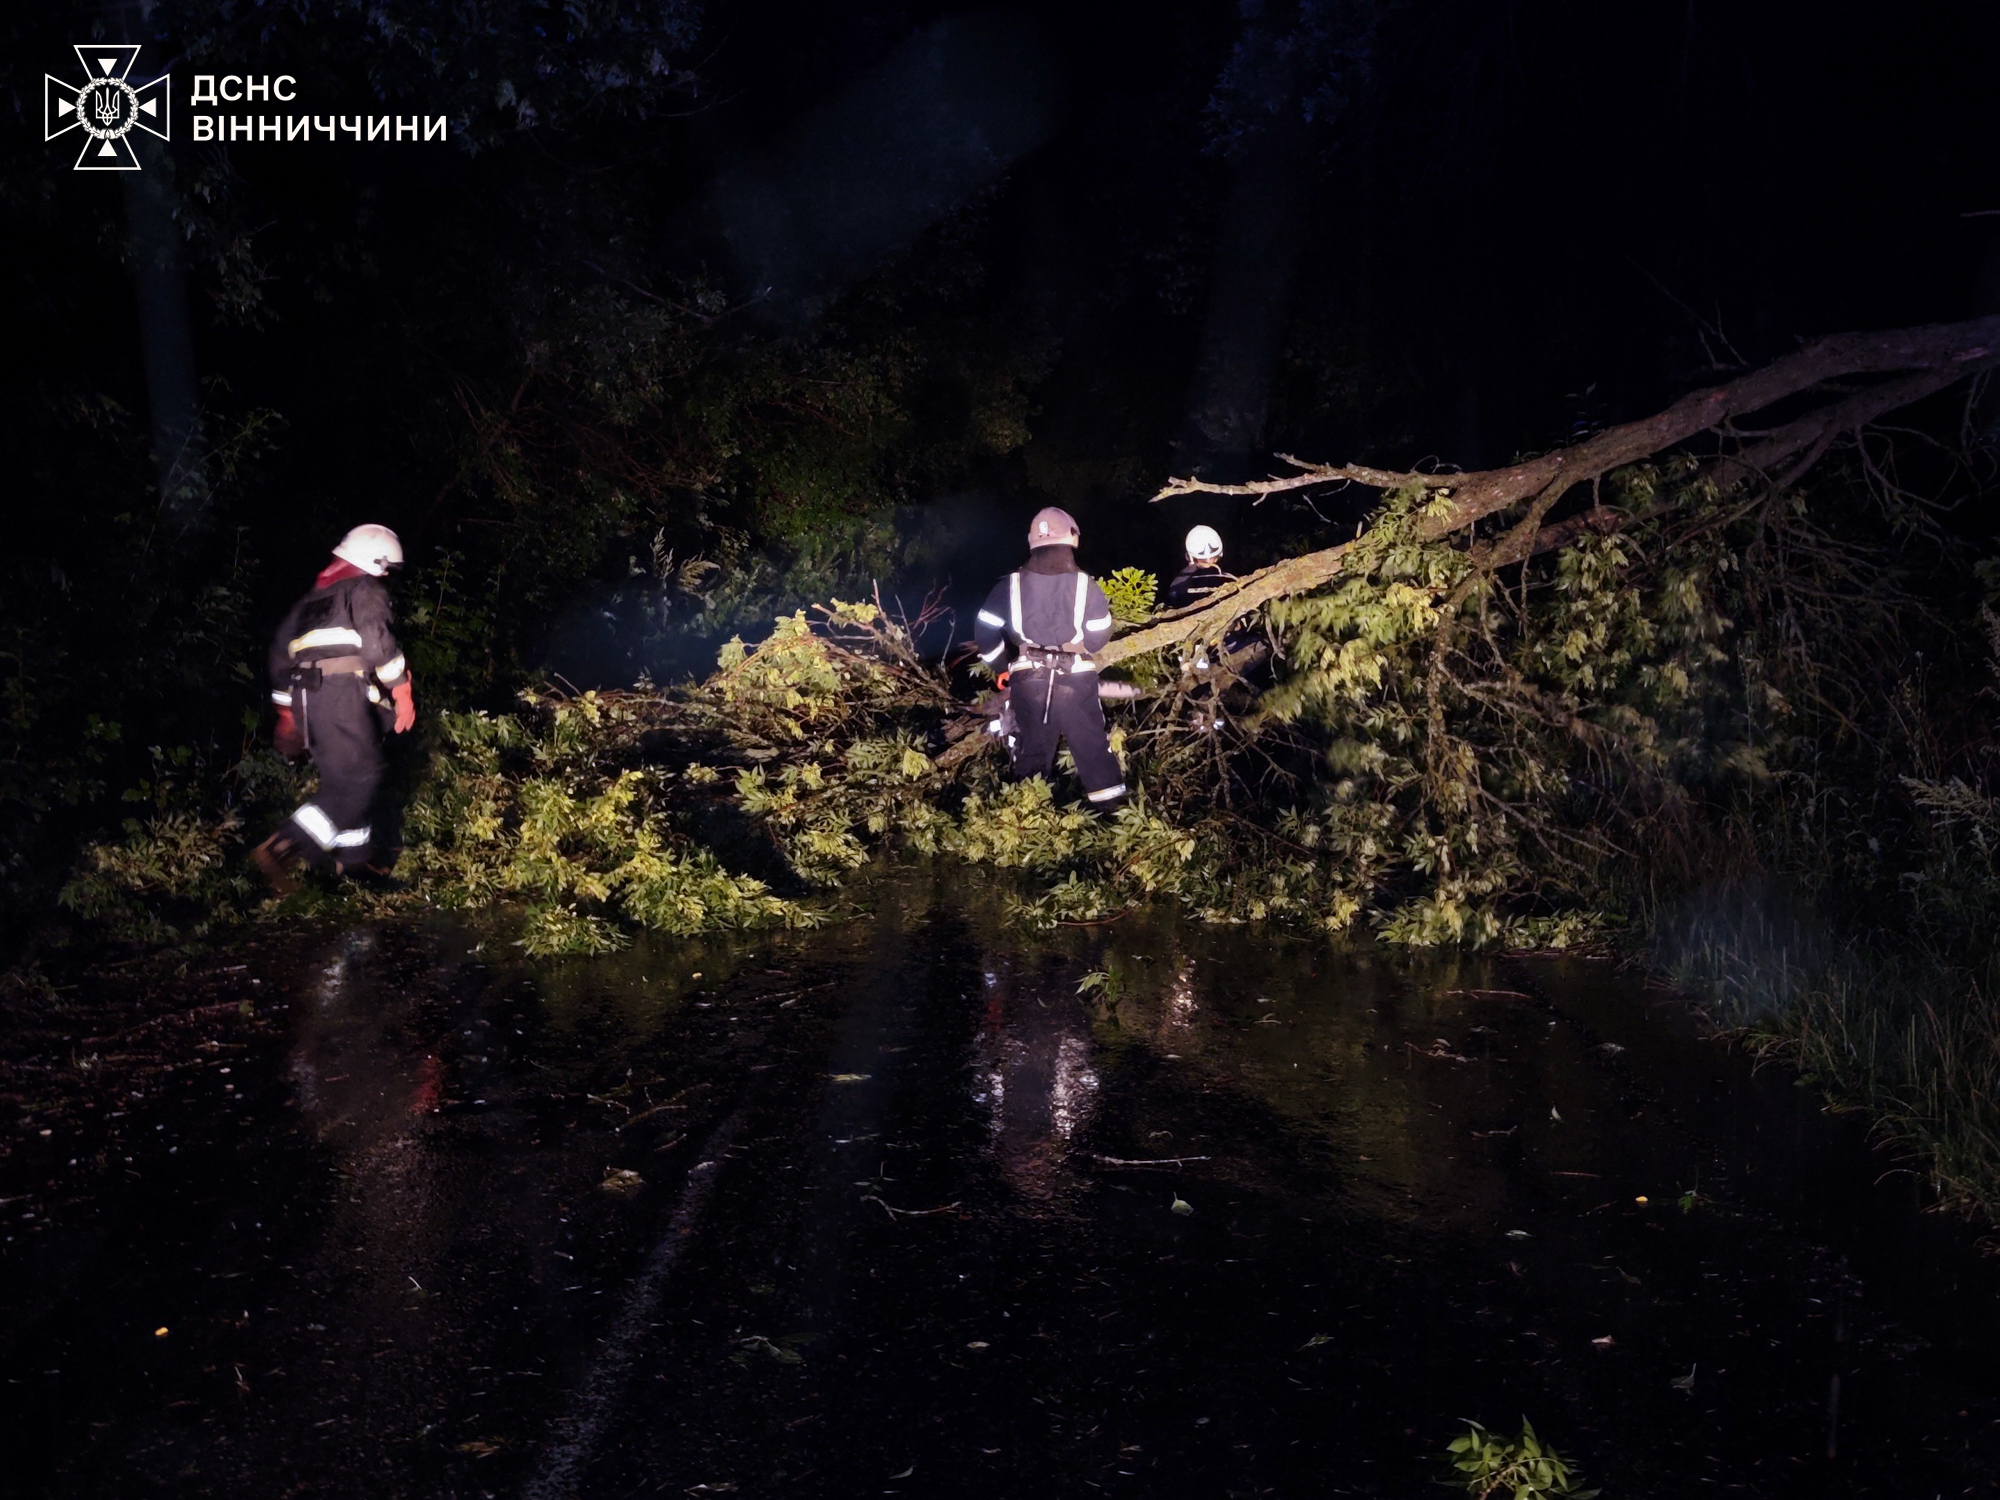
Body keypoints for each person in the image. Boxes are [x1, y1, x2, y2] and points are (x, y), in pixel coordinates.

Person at [251, 524, 416, 891]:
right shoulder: (364, 589)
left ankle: (354, 868)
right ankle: (284, 845)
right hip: (340, 695)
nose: (386, 575)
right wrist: (402, 692)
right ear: (375, 561)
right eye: (386, 567)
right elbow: (377, 645)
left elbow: (280, 654)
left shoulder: (311, 601)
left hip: (309, 698)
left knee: (345, 779)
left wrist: (287, 713)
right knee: (362, 777)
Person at [972, 507, 1127, 811]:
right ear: (1072, 538)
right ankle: (1115, 819)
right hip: (1075, 679)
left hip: (1029, 681)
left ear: (1032, 542)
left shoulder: (1010, 584)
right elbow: (1098, 636)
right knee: (1093, 751)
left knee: (1030, 752)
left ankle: (1026, 819)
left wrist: (1000, 667)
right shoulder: (1085, 585)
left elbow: (985, 628)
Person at [1165, 524, 1235, 608]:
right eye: (1203, 561)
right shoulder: (1181, 584)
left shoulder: (1179, 582)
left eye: (1214, 559)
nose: (1209, 562)